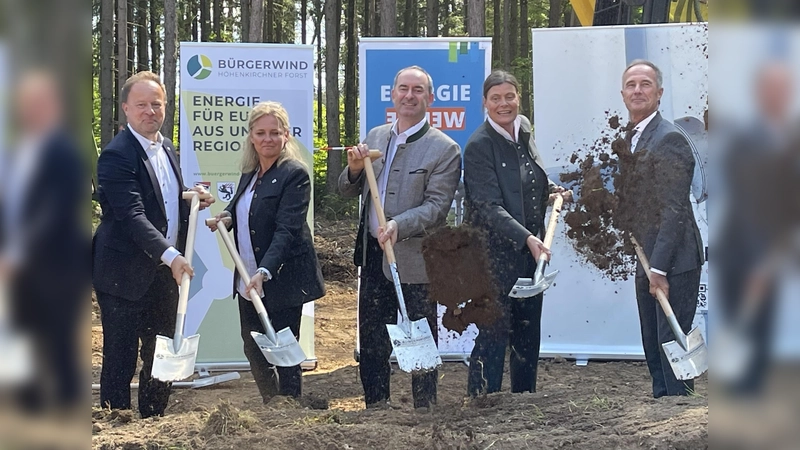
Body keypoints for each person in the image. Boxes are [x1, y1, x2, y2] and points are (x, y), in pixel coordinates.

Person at [339, 66, 461, 410]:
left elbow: (436, 207)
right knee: (373, 338)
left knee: (420, 336)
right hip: (373, 257)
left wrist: (398, 225)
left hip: (416, 260)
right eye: (403, 89)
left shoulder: (444, 149)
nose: (409, 96)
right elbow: (347, 188)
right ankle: (376, 405)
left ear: (430, 98)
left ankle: (425, 408)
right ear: (393, 94)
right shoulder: (375, 137)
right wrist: (354, 169)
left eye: (418, 90)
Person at [93, 71, 214, 417]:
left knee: (162, 351)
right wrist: (172, 256)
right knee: (121, 354)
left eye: (156, 104)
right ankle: (116, 420)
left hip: (162, 272)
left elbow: (161, 201)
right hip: (123, 273)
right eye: (142, 105)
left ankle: (153, 419)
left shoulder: (167, 147)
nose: (150, 111)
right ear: (126, 109)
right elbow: (132, 215)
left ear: (165, 107)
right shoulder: (116, 155)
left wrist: (190, 196)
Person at [208, 101, 324, 401]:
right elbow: (243, 206)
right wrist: (227, 217)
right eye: (261, 133)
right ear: (251, 136)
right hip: (247, 275)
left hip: (282, 276)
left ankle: (290, 405)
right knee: (253, 345)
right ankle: (273, 404)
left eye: (275, 132)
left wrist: (265, 271)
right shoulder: (251, 172)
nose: (267, 139)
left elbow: (287, 229)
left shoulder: (294, 174)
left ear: (286, 135)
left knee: (283, 345)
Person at [462, 70, 569, 397]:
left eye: (509, 96)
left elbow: (527, 182)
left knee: (527, 328)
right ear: (485, 103)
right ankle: (483, 400)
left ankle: (524, 398)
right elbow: (488, 205)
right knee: (493, 330)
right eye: (496, 98)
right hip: (492, 255)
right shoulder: (479, 145)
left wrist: (551, 192)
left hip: (529, 253)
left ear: (518, 98)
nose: (503, 104)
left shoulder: (523, 132)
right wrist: (527, 238)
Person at [0, 70, 87, 412]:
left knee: (58, 336)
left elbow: (57, 207)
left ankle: (67, 407)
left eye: (40, 103)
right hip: (17, 262)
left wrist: (19, 252)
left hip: (56, 262)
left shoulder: (66, 152)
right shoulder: (15, 151)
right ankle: (29, 405)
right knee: (22, 331)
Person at [617, 60, 704, 397]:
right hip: (646, 255)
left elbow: (674, 210)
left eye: (646, 84)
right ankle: (661, 403)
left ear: (659, 93)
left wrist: (659, 269)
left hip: (674, 261)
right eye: (631, 85)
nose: (638, 90)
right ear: (623, 94)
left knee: (671, 342)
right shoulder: (631, 137)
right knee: (653, 341)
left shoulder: (669, 139)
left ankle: (680, 409)